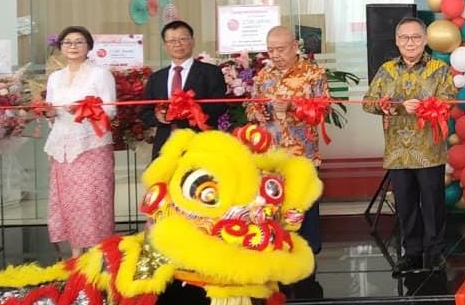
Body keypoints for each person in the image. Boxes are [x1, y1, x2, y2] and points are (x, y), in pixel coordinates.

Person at [363, 17, 456, 272]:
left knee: (432, 202)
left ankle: (435, 251)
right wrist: (394, 106)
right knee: (405, 204)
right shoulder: (386, 70)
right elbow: (368, 102)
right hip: (397, 151)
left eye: (416, 37)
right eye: (404, 38)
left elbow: (449, 101)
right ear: (396, 41)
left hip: (428, 150)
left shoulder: (440, 69)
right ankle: (411, 251)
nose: (410, 43)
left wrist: (425, 107)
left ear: (425, 40)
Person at [245, 25, 330, 253]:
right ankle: (279, 250)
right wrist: (257, 112)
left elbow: (324, 110)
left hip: (303, 154)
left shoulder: (313, 73)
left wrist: (293, 106)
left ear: (294, 46)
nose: (275, 55)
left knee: (304, 206)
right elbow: (250, 108)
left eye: (280, 49)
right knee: (273, 206)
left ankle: (308, 254)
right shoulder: (263, 76)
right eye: (270, 50)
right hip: (270, 155)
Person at [43, 25, 117, 255]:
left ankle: (98, 257)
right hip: (62, 147)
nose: (72, 46)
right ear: (60, 47)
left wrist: (83, 110)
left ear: (89, 47)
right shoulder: (55, 77)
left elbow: (110, 111)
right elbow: (51, 108)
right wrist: (50, 113)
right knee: (68, 202)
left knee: (93, 202)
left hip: (91, 145)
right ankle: (75, 254)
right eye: (67, 42)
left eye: (78, 42)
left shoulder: (100, 74)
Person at [140, 20, 229, 158]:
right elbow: (145, 112)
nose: (177, 44)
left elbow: (220, 106)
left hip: (200, 141)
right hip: (165, 144)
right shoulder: (156, 78)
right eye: (172, 40)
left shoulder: (211, 72)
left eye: (183, 39)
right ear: (165, 45)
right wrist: (159, 117)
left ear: (192, 41)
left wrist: (191, 111)